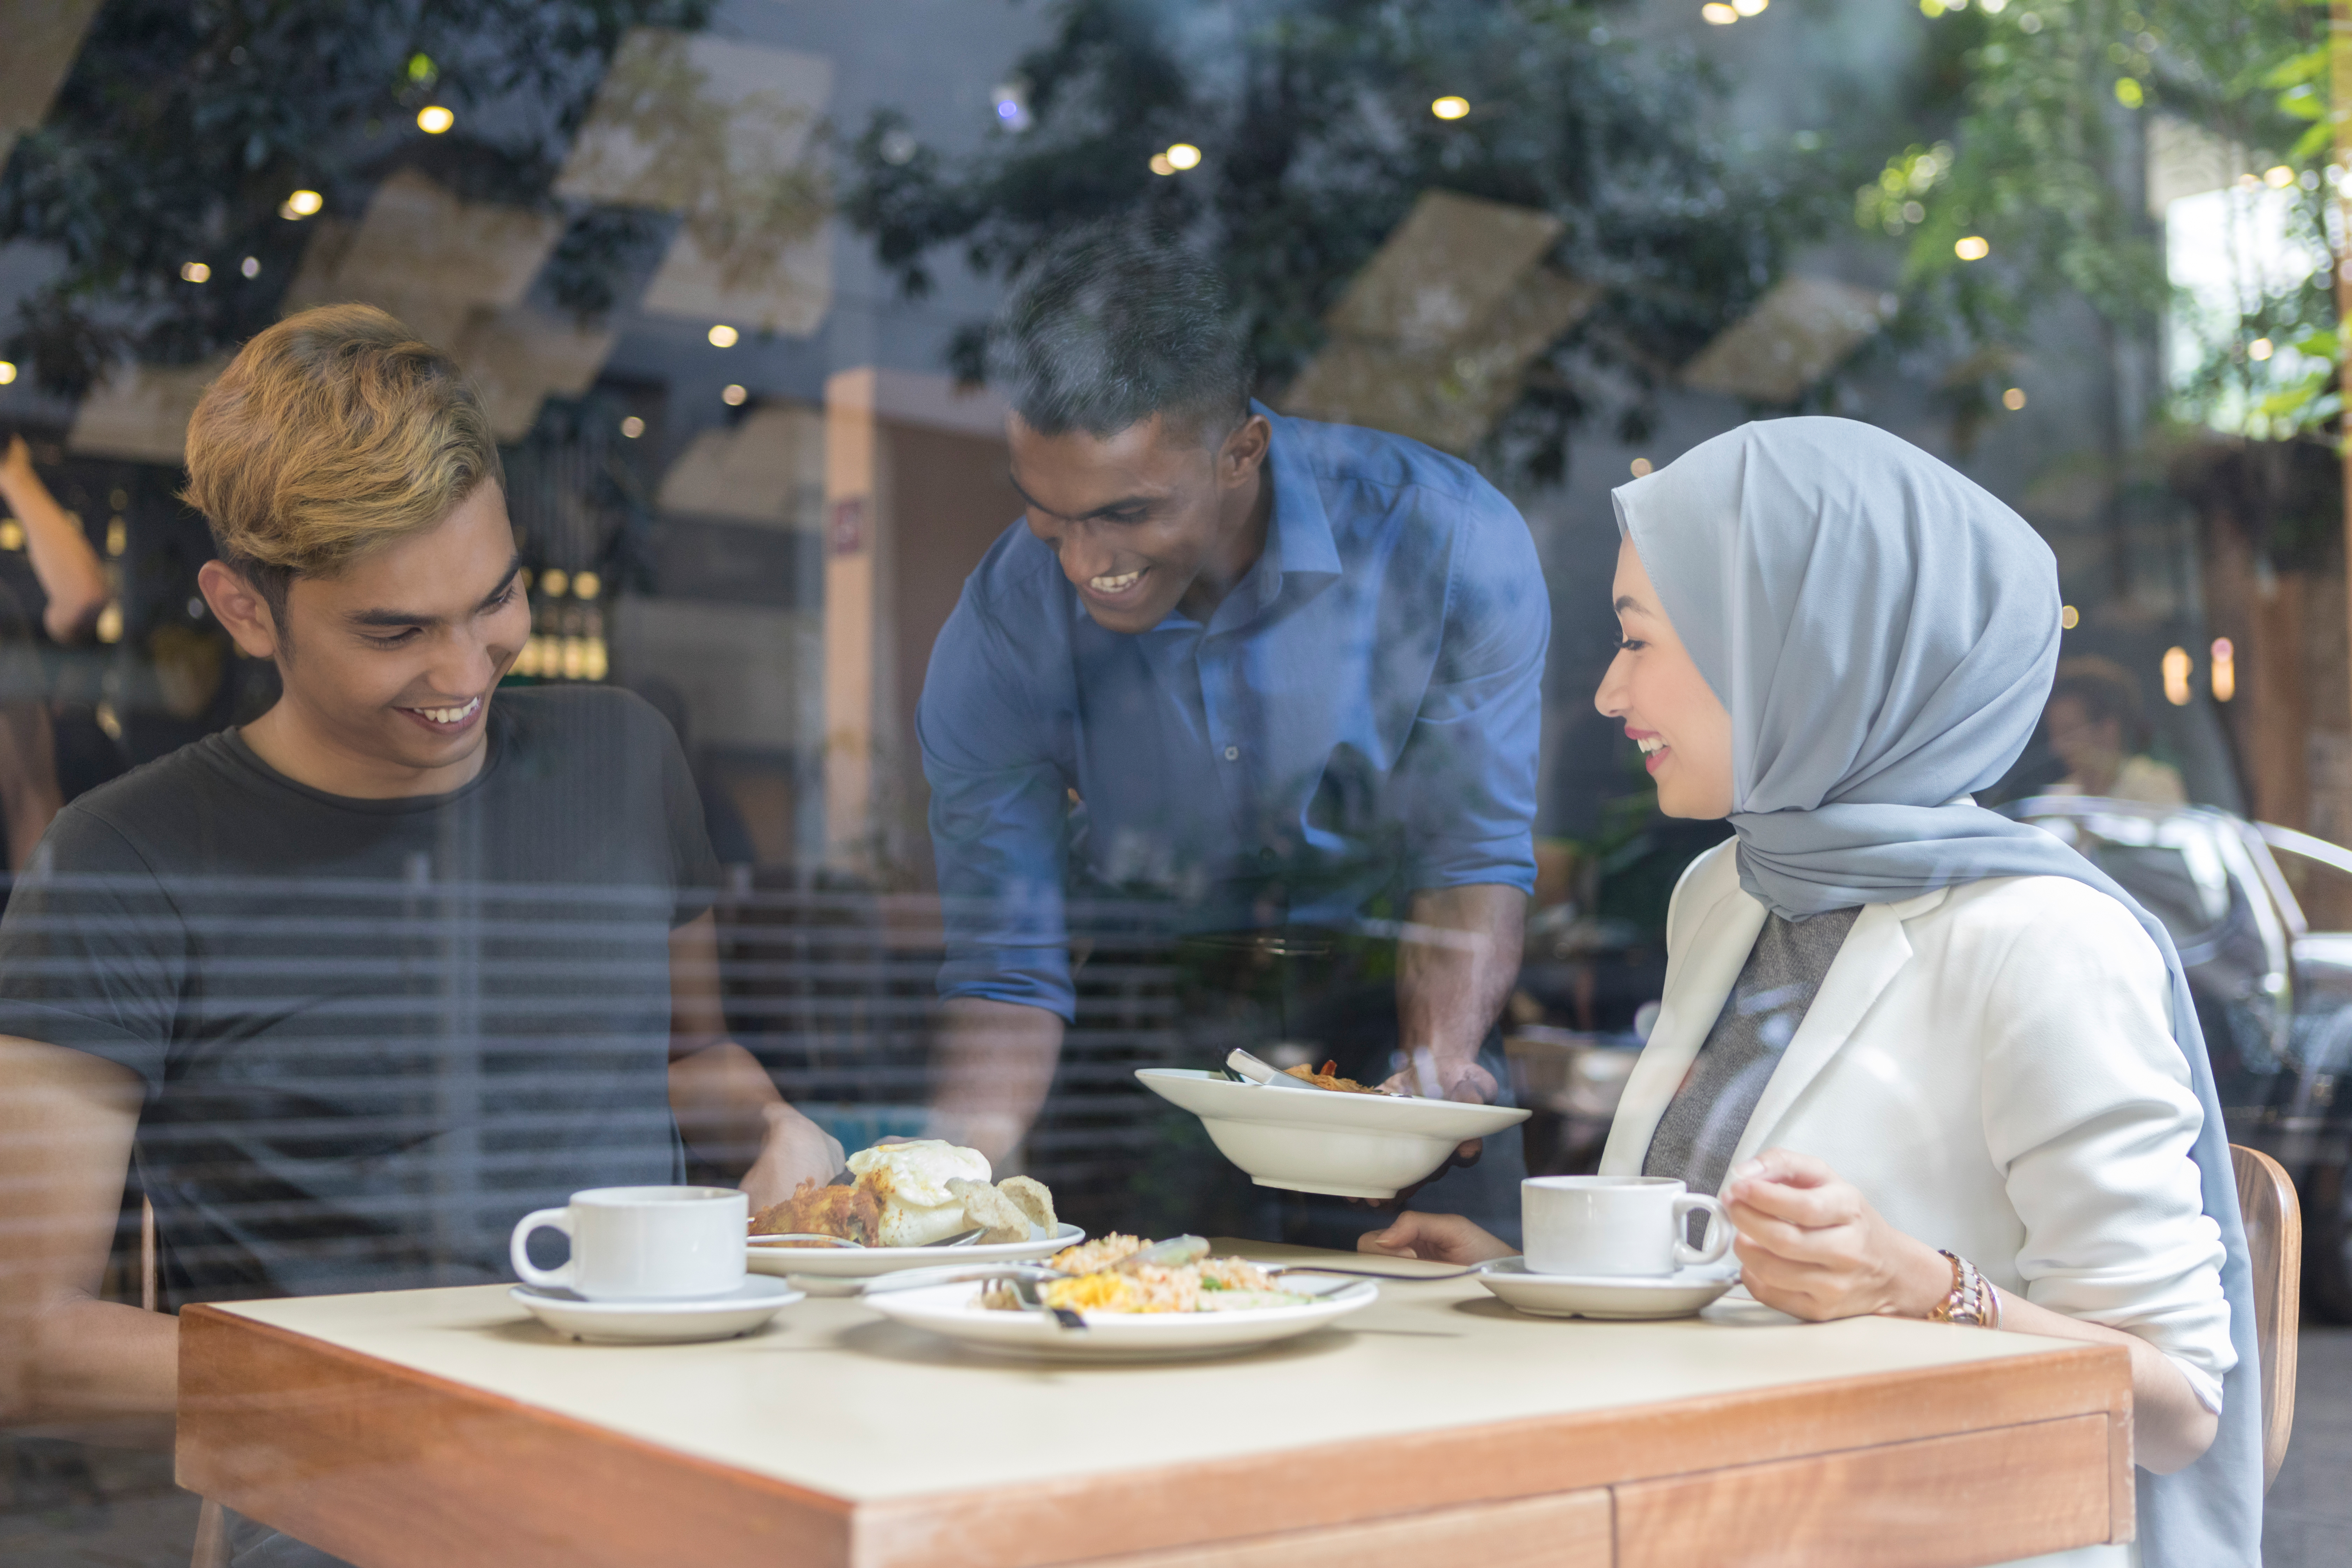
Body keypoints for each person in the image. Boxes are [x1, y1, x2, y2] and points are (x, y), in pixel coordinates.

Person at [1362, 419, 2258, 1568]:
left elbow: (2179, 1408)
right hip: (1703, 1510)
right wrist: (1515, 1274)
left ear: (1794, 648)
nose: (1604, 691)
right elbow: (1733, 1276)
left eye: (1638, 642)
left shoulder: (2046, 939)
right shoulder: (1728, 892)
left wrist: (1922, 1288)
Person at [0, 309, 841, 1480]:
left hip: (668, 1455)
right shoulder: (123, 862)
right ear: (247, 610)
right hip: (352, 1503)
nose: (461, 674)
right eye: (394, 631)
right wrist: (438, 1400)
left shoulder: (625, 756)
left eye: (495, 601)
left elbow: (682, 1060)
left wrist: (772, 1137)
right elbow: (28, 1347)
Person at [916, 229, 1546, 1238]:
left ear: (1241, 451)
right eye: (1048, 512)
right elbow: (1008, 959)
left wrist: (1434, 1073)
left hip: (1396, 1015)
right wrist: (940, 1190)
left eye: (1126, 511)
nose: (1083, 562)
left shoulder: (1448, 543)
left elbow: (1468, 854)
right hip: (1150, 1042)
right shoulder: (1005, 619)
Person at [2041, 654, 2188, 805]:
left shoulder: (2155, 788)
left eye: (2068, 732)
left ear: (2108, 729)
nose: (2057, 747)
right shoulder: (2055, 800)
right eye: (2054, 734)